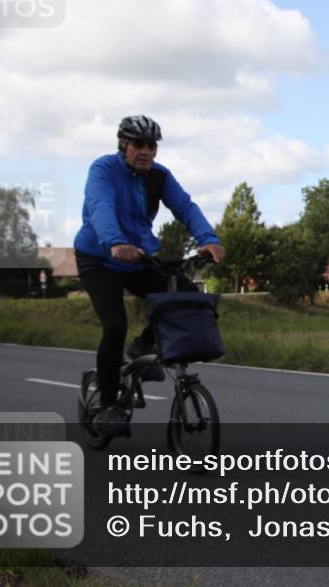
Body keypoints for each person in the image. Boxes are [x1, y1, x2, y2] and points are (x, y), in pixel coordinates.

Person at [74, 115, 225, 436]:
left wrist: (208, 239)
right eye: (138, 145)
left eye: (151, 146)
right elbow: (100, 206)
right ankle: (108, 406)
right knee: (114, 325)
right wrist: (115, 242)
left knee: (189, 300)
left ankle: (142, 347)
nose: (146, 151)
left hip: (138, 257)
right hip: (99, 258)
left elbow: (185, 206)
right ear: (123, 145)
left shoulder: (159, 176)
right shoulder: (103, 170)